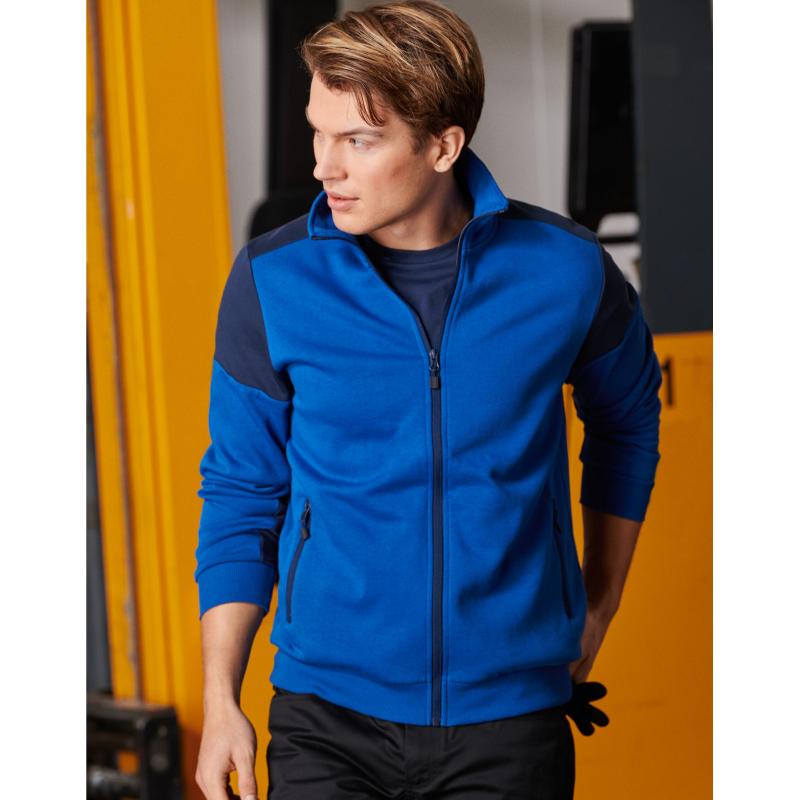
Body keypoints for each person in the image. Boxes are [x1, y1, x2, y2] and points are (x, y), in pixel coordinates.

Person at [193, 2, 662, 798]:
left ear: (443, 146)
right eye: (318, 134)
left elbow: (627, 423)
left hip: (510, 723)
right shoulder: (273, 281)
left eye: (358, 140)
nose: (325, 167)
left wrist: (601, 602)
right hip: (326, 718)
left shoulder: (566, 271)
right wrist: (220, 699)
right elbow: (242, 489)